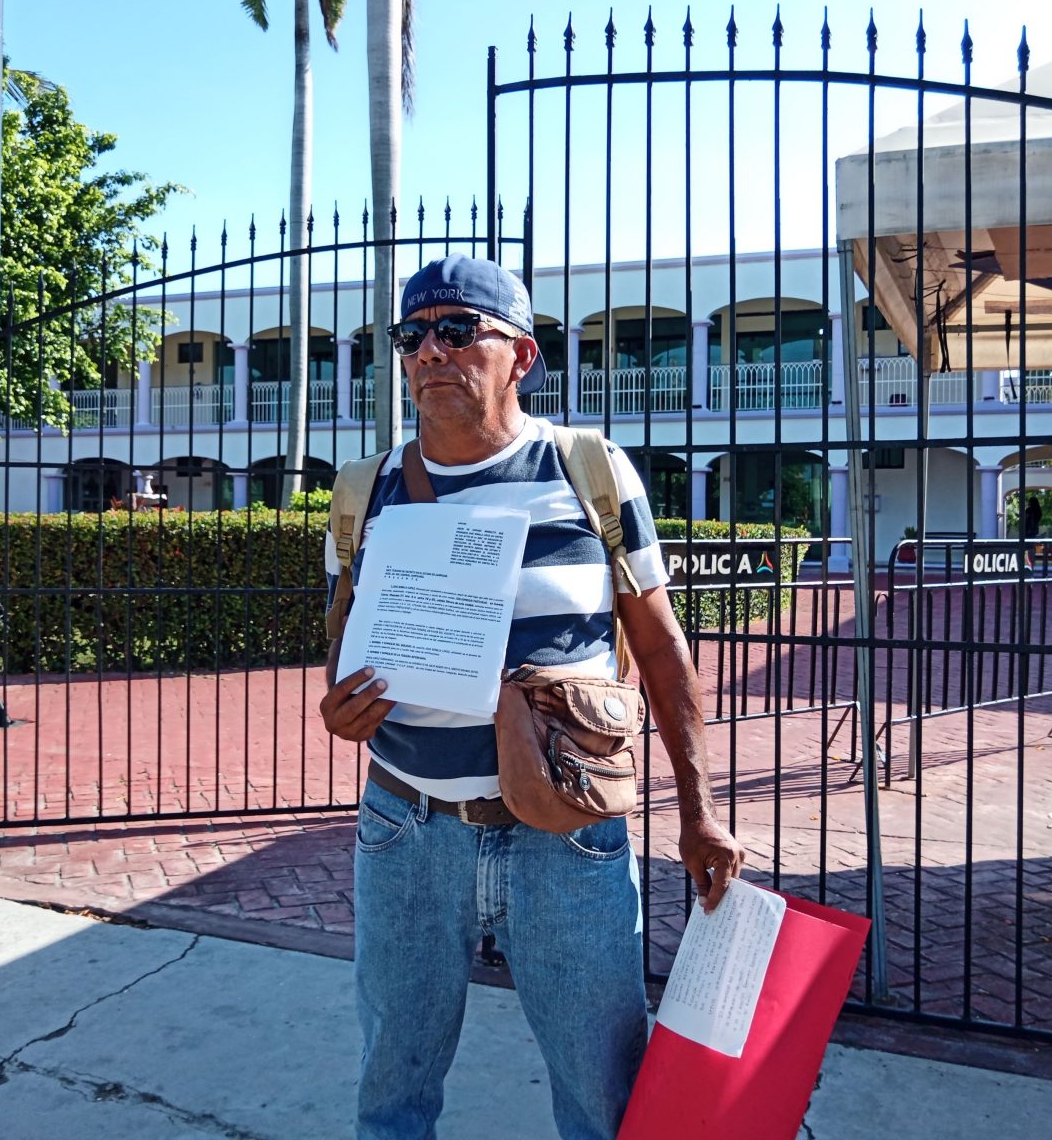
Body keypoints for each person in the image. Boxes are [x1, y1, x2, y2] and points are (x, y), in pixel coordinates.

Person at [318, 255, 745, 1140]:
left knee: (602, 1095)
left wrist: (700, 812)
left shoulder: (589, 470)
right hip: (404, 827)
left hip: (569, 840)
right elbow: (344, 646)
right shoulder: (366, 492)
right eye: (412, 335)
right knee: (388, 1092)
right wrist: (338, 703)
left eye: (457, 330)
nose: (431, 351)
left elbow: (662, 649)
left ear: (521, 354)